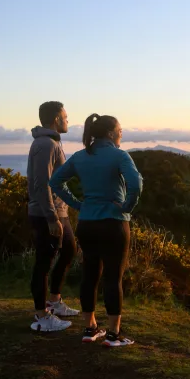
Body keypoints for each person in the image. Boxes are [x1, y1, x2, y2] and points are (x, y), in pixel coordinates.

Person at [50, 114, 143, 347]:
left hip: (87, 223)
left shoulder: (81, 156)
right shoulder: (120, 155)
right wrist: (126, 207)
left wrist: (79, 205)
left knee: (90, 275)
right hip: (113, 223)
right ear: (111, 133)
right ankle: (113, 335)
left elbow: (54, 182)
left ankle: (90, 329)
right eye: (120, 130)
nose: (122, 134)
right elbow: (136, 184)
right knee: (113, 278)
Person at [27, 101, 80, 333]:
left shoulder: (51, 142)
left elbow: (57, 183)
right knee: (44, 263)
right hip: (47, 214)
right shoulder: (46, 144)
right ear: (56, 119)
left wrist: (74, 205)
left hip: (58, 211)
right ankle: (41, 316)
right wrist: (51, 218)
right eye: (66, 117)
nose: (68, 121)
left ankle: (54, 301)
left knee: (69, 249)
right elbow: (41, 185)